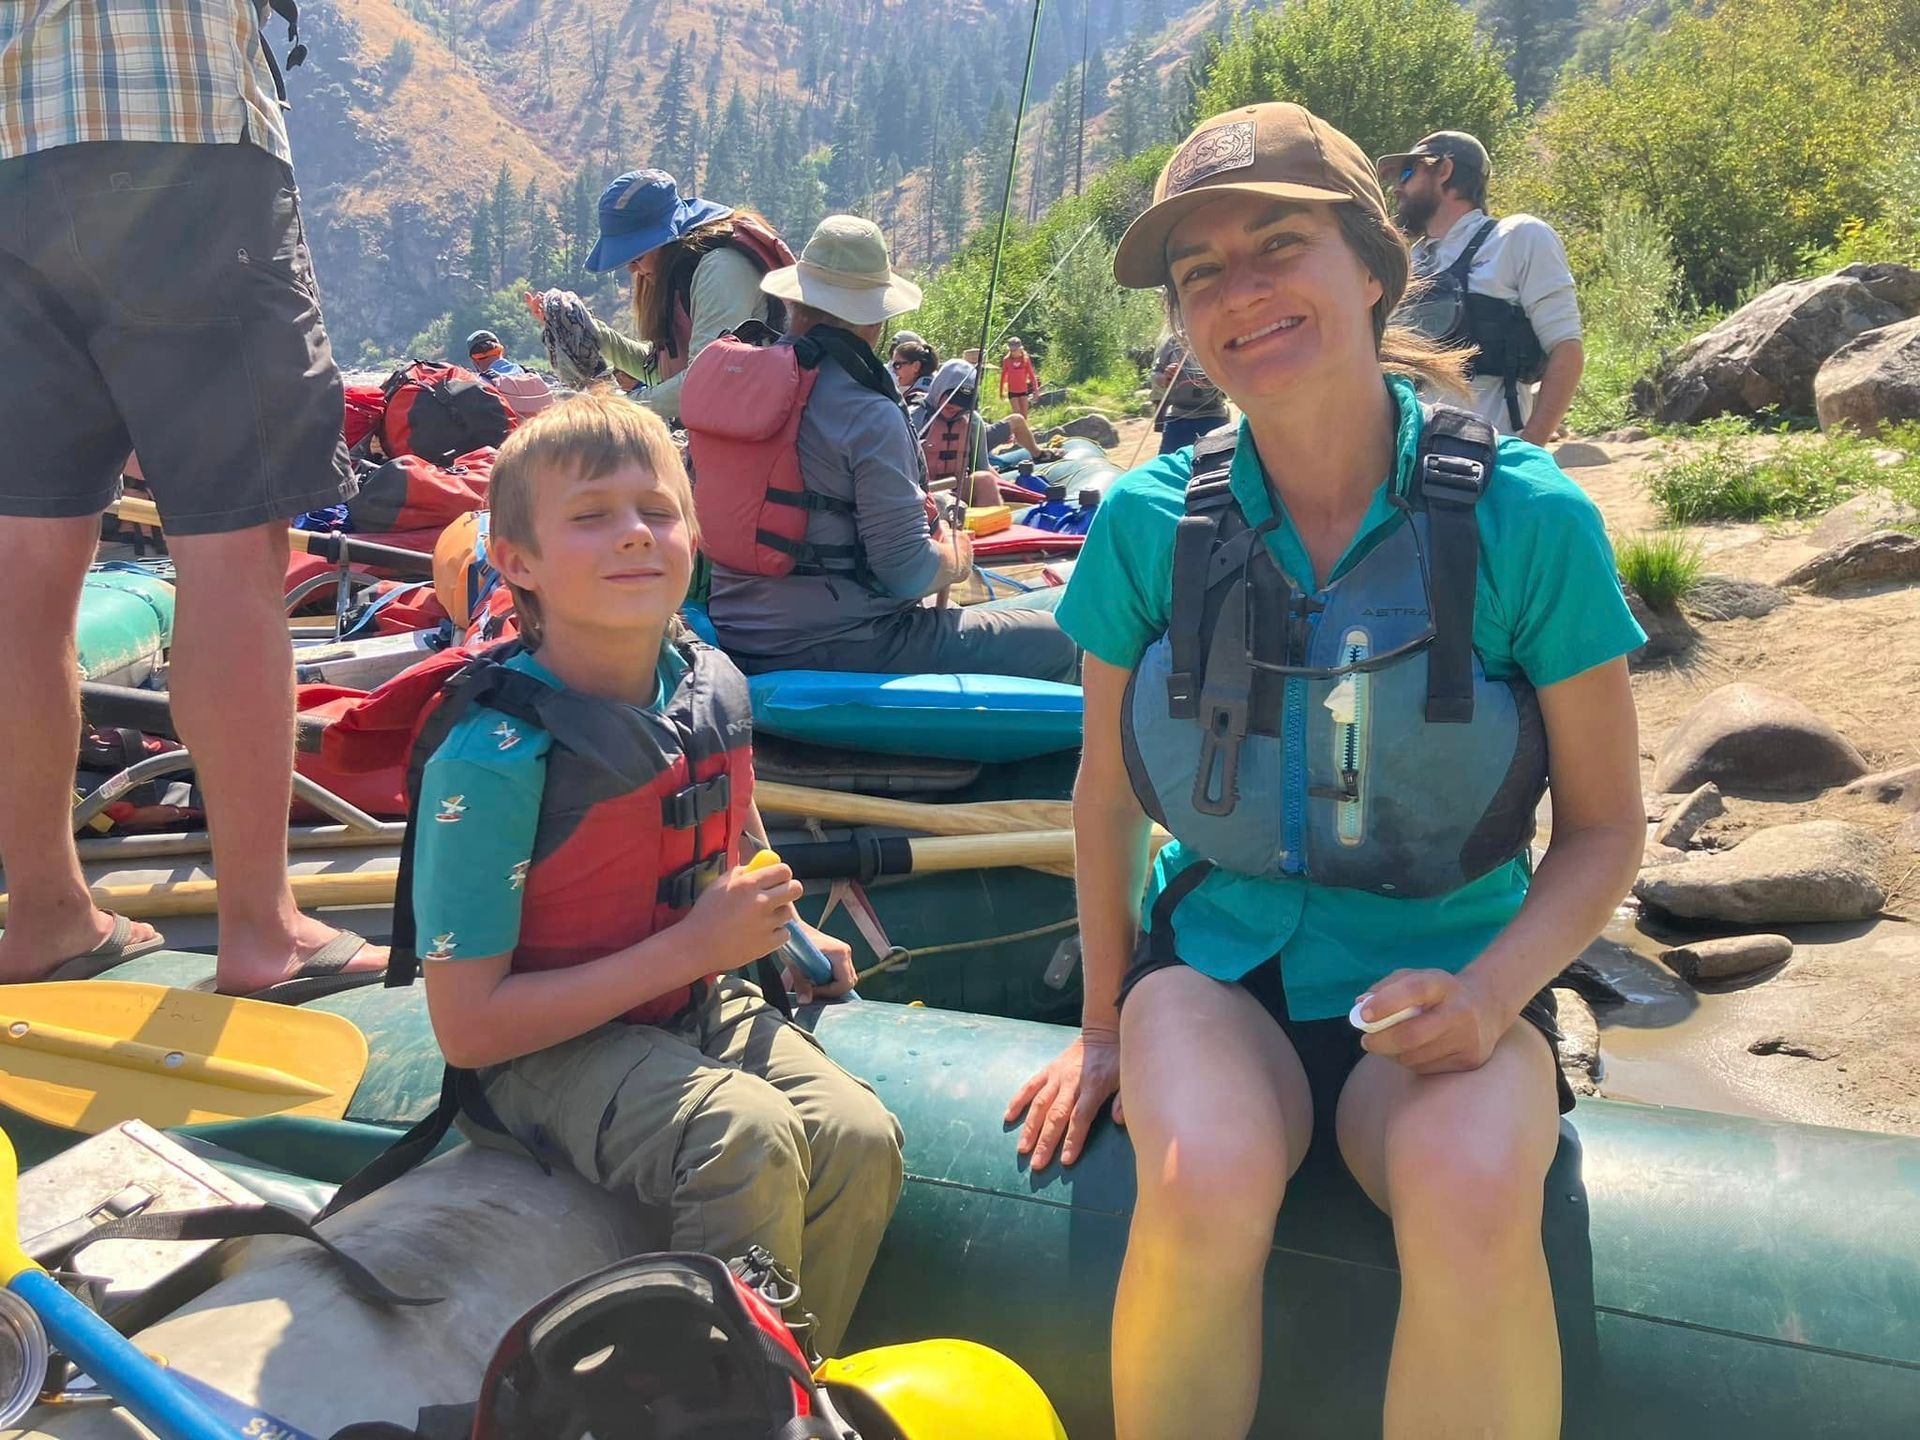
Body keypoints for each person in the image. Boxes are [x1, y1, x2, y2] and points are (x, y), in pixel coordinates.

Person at [1005, 103, 1645, 1438]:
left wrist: (1493, 996)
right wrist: (1108, 1026)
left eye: (1278, 244)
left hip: (1450, 985)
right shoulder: (1141, 522)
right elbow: (1110, 795)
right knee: (1202, 1176)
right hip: (1222, 971)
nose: (1241, 294)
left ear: (1370, 266)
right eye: (1201, 276)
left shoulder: (1532, 519)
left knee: (1477, 1194)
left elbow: (1600, 835)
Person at [411, 394, 902, 1355]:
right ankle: (713, 1409)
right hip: (539, 1054)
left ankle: (786, 1391)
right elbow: (469, 1031)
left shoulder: (707, 682)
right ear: (516, 562)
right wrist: (691, 947)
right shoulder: (495, 756)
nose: (635, 535)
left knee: (859, 1135)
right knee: (744, 1135)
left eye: (658, 510)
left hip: (692, 998)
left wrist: (787, 933)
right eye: (590, 516)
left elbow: (730, 827)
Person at [0, 0, 387, 999]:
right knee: (231, 555)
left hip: (10, 163)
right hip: (186, 138)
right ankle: (262, 931)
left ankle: (44, 912)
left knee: (26, 569)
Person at [694, 216, 1077, 681]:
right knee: (1070, 642)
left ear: (793, 301)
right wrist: (957, 554)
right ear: (874, 317)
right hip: (844, 644)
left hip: (734, 632)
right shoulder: (868, 412)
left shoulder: (736, 384)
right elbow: (905, 573)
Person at [524, 169, 791, 424]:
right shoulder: (683, 273)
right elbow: (660, 372)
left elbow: (707, 380)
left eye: (637, 255)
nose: (632, 268)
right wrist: (586, 329)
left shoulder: (720, 271)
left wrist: (623, 407)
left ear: (667, 240)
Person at [1376, 131, 1583, 442]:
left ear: (1443, 171)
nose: (1397, 187)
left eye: (1407, 173)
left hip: (1492, 459)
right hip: (1409, 463)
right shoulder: (1407, 262)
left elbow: (1567, 350)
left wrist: (1530, 450)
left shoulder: (1518, 237)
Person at [1150, 331, 1230, 455]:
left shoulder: (1217, 335)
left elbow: (1235, 372)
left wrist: (1216, 376)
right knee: (1172, 468)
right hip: (1178, 418)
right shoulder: (1172, 341)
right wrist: (1166, 377)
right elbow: (1156, 374)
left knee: (1217, 467)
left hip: (1214, 417)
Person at [469, 328, 555, 416]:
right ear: (502, 352)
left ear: (474, 361)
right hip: (544, 426)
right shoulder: (531, 373)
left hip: (514, 429)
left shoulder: (483, 382)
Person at [889, 335, 939, 403]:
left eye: (897, 365)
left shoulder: (917, 397)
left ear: (916, 366)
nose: (893, 371)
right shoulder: (935, 385)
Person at [997, 337, 1040, 417]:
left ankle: (1024, 428)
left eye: (1015, 350)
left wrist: (1035, 391)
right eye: (1011, 350)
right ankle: (1016, 428)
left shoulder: (1025, 359)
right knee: (1017, 413)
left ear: (1020, 349)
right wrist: (1001, 392)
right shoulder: (1006, 360)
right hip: (1012, 391)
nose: (1013, 352)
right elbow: (1003, 376)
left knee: (1024, 414)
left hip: (1023, 390)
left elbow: (1031, 375)